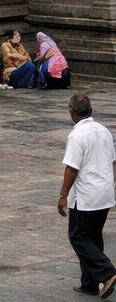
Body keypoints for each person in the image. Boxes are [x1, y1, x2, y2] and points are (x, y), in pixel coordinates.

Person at [58, 91, 116, 298]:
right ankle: (90, 283)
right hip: (105, 193)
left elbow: (71, 169)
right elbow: (113, 161)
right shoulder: (104, 131)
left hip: (87, 196)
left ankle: (107, 273)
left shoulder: (77, 135)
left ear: (71, 112)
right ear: (90, 110)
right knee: (93, 236)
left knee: (79, 236)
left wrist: (63, 196)